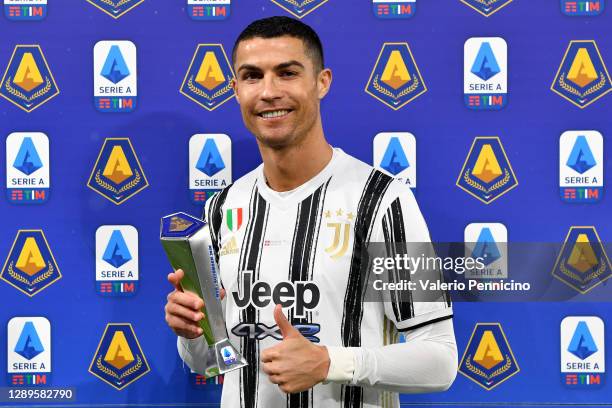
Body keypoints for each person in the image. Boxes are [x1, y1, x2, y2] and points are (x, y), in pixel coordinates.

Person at [165, 16, 457, 408]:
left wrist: (328, 362)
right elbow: (215, 362)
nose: (268, 92)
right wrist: (192, 334)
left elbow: (440, 360)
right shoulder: (224, 207)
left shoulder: (383, 200)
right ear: (235, 90)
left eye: (287, 73)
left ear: (322, 82)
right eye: (252, 76)